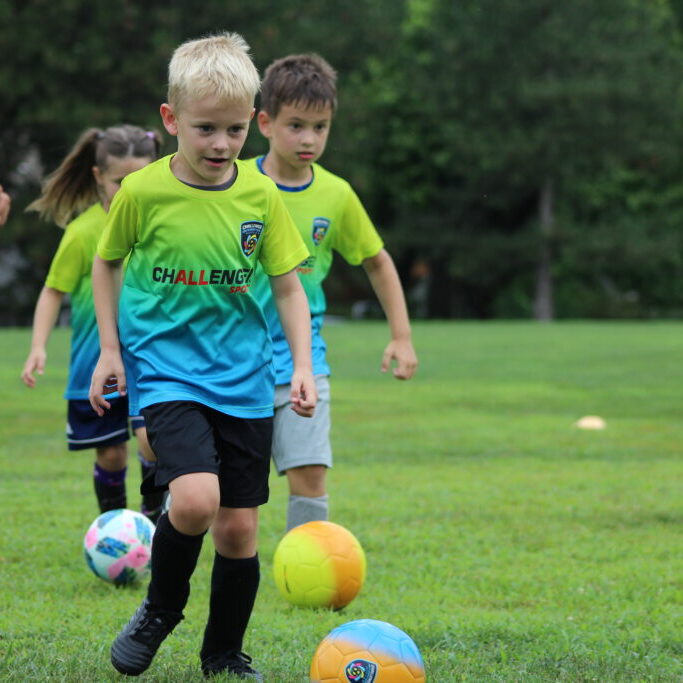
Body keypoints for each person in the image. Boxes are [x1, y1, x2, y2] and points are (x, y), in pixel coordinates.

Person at [88, 33, 315, 680]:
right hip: (167, 371)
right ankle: (160, 610)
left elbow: (287, 286)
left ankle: (223, 653)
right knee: (191, 501)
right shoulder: (143, 193)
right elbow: (106, 264)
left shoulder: (259, 196)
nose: (221, 144)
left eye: (236, 130)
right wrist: (111, 349)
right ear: (170, 120)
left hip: (244, 378)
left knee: (239, 530)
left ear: (253, 123)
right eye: (205, 129)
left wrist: (298, 365)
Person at [251, 54, 418, 531]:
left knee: (309, 471)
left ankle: (305, 563)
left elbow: (377, 261)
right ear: (265, 122)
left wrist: (401, 336)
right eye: (296, 125)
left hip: (304, 356)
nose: (309, 139)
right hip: (232, 355)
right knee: (230, 484)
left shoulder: (337, 195)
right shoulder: (235, 184)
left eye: (320, 127)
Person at [21, 125, 164, 520]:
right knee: (112, 452)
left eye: (140, 178)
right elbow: (53, 290)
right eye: (121, 181)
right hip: (95, 360)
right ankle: (114, 527)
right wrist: (38, 346)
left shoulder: (162, 224)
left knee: (152, 440)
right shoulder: (83, 232)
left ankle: (152, 524)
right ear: (99, 177)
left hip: (150, 356)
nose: (130, 188)